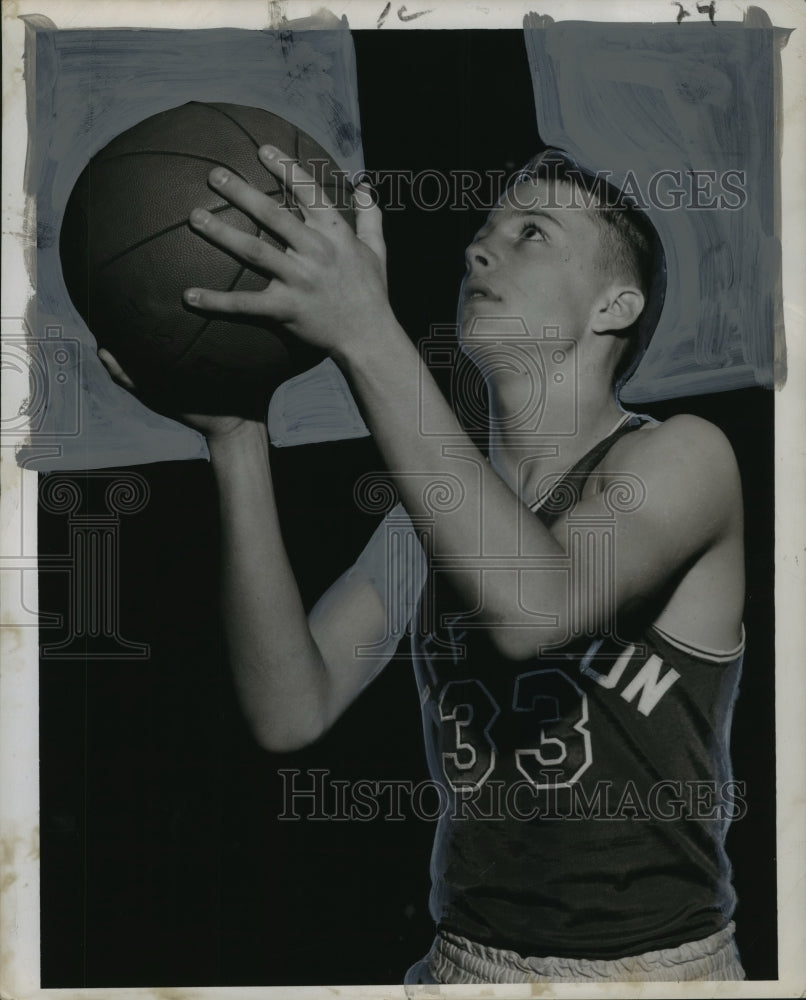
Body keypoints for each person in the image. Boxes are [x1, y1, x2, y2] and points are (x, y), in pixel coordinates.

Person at [100, 145, 746, 983]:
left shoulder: (686, 458)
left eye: (534, 233)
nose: (480, 249)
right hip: (463, 962)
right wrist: (236, 438)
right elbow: (289, 706)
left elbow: (533, 610)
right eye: (485, 230)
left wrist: (368, 332)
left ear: (614, 306)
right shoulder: (430, 521)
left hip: (656, 971)